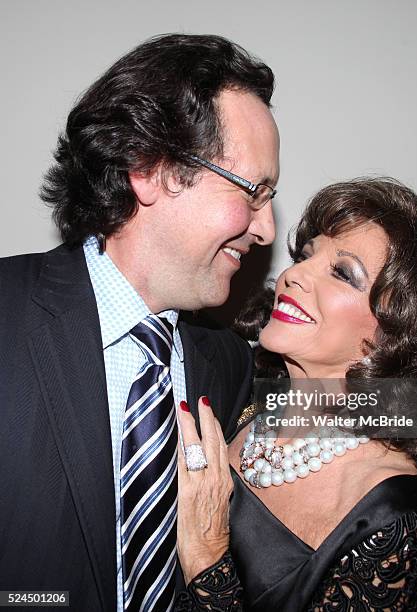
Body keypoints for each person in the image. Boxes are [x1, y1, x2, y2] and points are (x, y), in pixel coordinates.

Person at [0, 34, 279, 611]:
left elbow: (379, 408)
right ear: (149, 168)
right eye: (253, 192)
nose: (267, 230)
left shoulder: (226, 362)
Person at [174, 178, 417, 611]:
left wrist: (206, 557)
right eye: (305, 256)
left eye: (342, 273)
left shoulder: (395, 519)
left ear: (394, 335)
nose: (293, 275)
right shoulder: (240, 396)